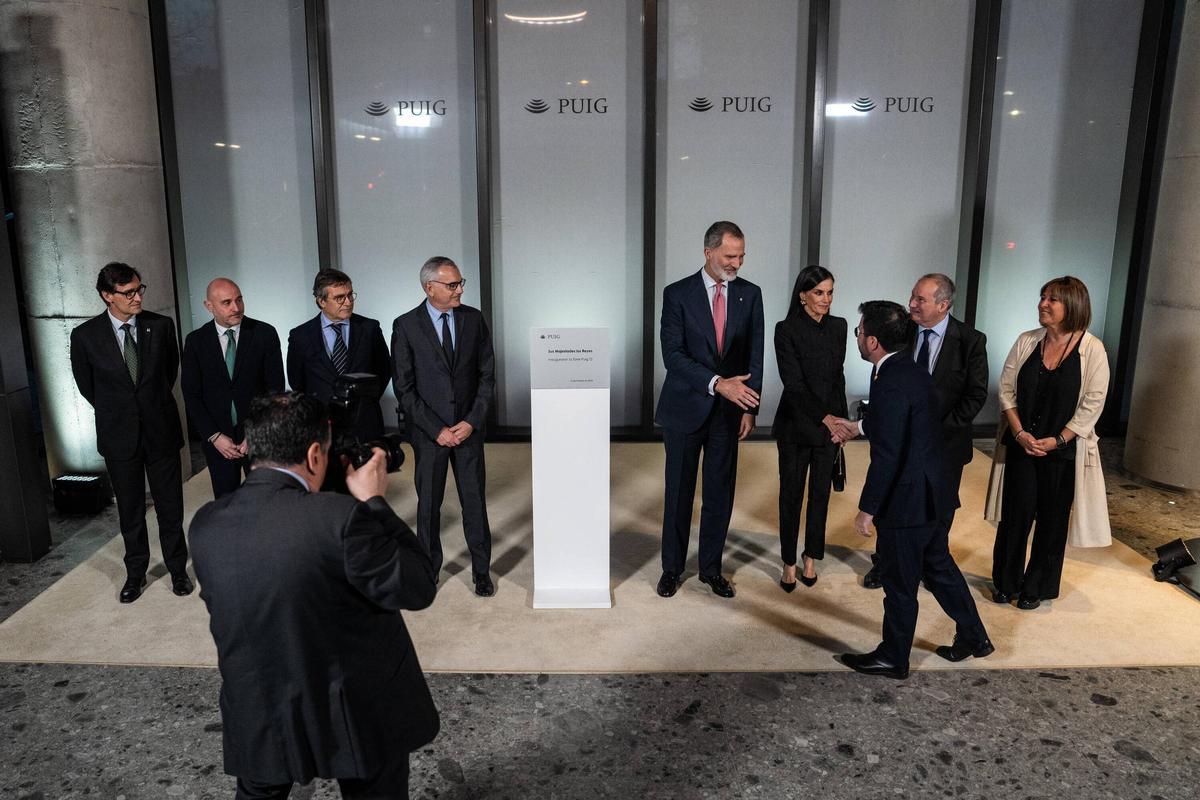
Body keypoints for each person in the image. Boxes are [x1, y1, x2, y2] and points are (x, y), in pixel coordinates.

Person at [189, 392, 439, 798]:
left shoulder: (206, 524)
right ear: (314, 456)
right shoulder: (341, 520)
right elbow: (418, 585)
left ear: (250, 447)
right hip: (355, 712)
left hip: (258, 709)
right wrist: (374, 501)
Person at [837, 301, 992, 679]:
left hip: (908, 500)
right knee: (936, 564)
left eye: (859, 332)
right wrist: (858, 427)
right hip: (936, 490)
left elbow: (889, 454)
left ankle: (893, 657)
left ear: (872, 341)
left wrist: (868, 508)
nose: (856, 336)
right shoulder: (911, 371)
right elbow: (903, 423)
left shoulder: (889, 380)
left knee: (900, 581)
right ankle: (974, 636)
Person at [985, 276, 1111, 610]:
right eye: (1042, 296)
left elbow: (1092, 404)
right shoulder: (1027, 340)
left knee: (1052, 523)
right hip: (1022, 445)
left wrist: (1058, 439)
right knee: (1015, 517)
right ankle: (1006, 582)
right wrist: (1020, 433)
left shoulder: (1092, 349)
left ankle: (1036, 587)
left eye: (1052, 299)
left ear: (1073, 306)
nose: (1043, 303)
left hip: (1062, 453)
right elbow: (1006, 389)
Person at [69, 262, 192, 603]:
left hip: (161, 431)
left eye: (140, 289)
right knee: (130, 510)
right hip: (119, 436)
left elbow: (168, 374)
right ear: (108, 296)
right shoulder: (85, 336)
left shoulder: (161, 325)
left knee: (170, 507)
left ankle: (178, 569)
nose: (138, 297)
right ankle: (136, 573)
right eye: (129, 292)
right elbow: (87, 386)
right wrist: (122, 411)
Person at [655, 221, 764, 599]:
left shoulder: (750, 295)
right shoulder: (677, 294)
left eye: (741, 256)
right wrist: (718, 384)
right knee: (679, 492)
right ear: (708, 252)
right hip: (685, 408)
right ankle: (672, 568)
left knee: (719, 493)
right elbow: (673, 356)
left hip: (730, 413)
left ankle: (711, 569)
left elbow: (755, 354)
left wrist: (751, 407)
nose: (737, 263)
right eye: (730, 256)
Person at [861, 273, 988, 589]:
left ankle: (931, 565)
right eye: (913, 296)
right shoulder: (901, 331)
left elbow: (975, 396)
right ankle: (885, 564)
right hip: (900, 442)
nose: (912, 304)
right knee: (891, 501)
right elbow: (886, 376)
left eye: (921, 299)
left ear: (943, 305)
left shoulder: (971, 341)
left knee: (938, 511)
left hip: (946, 445)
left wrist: (931, 431)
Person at [391, 256, 496, 596]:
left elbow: (486, 376)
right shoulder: (405, 325)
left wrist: (471, 422)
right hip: (429, 434)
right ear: (429, 288)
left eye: (460, 282)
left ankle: (482, 572)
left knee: (474, 504)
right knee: (428, 507)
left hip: (467, 431)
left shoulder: (474, 319)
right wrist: (436, 429)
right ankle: (428, 570)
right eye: (452, 285)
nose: (460, 289)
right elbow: (404, 388)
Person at [773, 265, 846, 590]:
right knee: (791, 495)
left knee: (820, 496)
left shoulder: (840, 327)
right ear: (803, 295)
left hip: (828, 428)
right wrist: (826, 418)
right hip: (794, 425)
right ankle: (789, 562)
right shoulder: (785, 329)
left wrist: (840, 424)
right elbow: (794, 384)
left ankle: (811, 558)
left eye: (830, 292)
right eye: (819, 292)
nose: (826, 299)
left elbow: (838, 379)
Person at [181, 278, 285, 498]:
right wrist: (214, 436)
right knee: (226, 504)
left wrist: (256, 431)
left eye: (239, 300)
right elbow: (192, 394)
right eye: (226, 303)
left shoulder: (264, 334)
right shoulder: (196, 342)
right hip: (218, 440)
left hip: (258, 435)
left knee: (267, 500)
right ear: (209, 306)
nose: (236, 308)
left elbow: (274, 389)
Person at [286, 269, 391, 441]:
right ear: (321, 301)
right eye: (339, 298)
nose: (348, 302)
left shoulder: (369, 329)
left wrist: (365, 400)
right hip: (321, 426)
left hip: (365, 423)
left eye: (350, 295)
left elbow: (384, 370)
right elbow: (297, 381)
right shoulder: (300, 336)